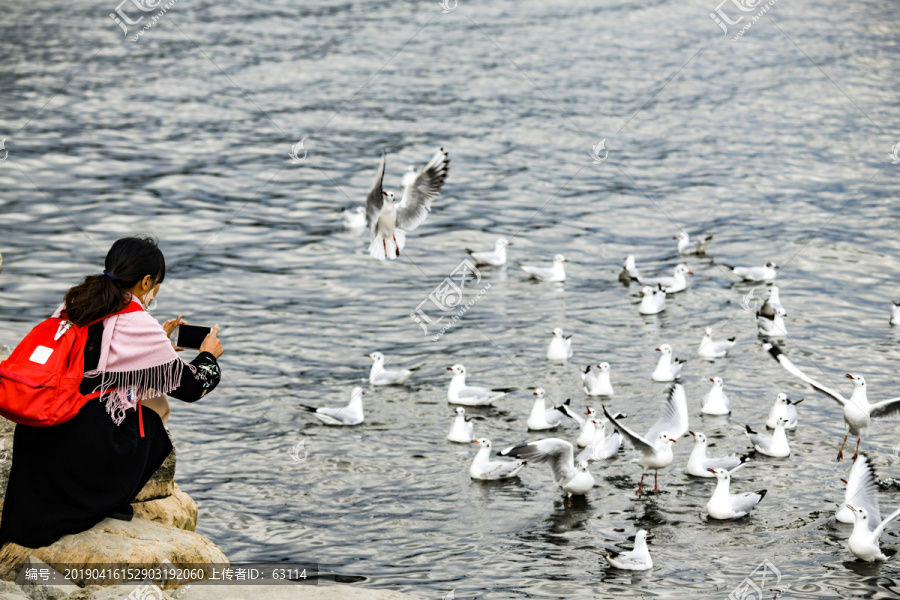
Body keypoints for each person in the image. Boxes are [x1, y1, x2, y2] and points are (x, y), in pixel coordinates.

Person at [0, 236, 223, 548]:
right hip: (77, 445)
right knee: (152, 423)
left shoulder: (74, 303)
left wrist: (159, 342)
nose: (156, 290)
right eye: (157, 283)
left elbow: (96, 359)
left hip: (38, 435)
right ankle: (99, 500)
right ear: (146, 281)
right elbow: (192, 386)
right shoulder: (135, 319)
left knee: (132, 401)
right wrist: (209, 355)